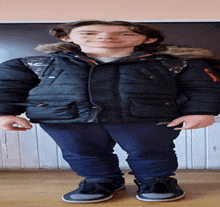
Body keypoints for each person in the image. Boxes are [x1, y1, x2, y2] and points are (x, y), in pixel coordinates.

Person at [0, 20, 220, 204]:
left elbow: (203, 86)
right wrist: (4, 112)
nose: (105, 38)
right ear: (65, 36)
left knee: (151, 150)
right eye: (89, 32)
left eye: (124, 33)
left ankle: (157, 179)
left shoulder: (176, 64)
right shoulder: (35, 63)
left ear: (149, 38)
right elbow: (7, 85)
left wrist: (202, 111)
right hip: (65, 117)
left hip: (147, 116)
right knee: (82, 151)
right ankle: (100, 180)